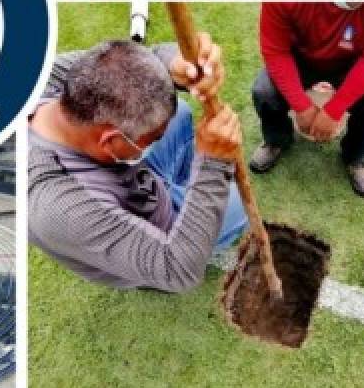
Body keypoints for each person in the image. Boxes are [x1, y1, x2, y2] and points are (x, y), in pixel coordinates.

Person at [28, 36, 248, 293]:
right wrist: (212, 165)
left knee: (180, 113)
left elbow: (137, 61)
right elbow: (178, 270)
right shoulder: (59, 208)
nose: (158, 139)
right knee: (237, 206)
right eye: (153, 139)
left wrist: (175, 63)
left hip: (139, 183)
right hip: (149, 238)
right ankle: (200, 240)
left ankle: (189, 194)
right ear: (110, 140)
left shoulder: (41, 82)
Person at [249, 2, 364, 196]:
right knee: (264, 91)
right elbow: (276, 51)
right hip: (298, 57)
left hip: (354, 62)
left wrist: (334, 109)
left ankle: (355, 156)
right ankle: (276, 140)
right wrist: (301, 106)